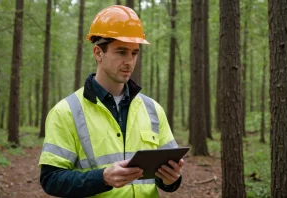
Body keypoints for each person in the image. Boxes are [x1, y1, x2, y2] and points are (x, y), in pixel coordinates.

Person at [39, 5, 184, 198]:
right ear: (98, 53)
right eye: (121, 52)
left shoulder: (153, 110)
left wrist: (171, 180)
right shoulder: (66, 111)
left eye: (134, 53)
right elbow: (51, 180)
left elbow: (167, 176)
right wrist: (102, 178)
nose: (129, 62)